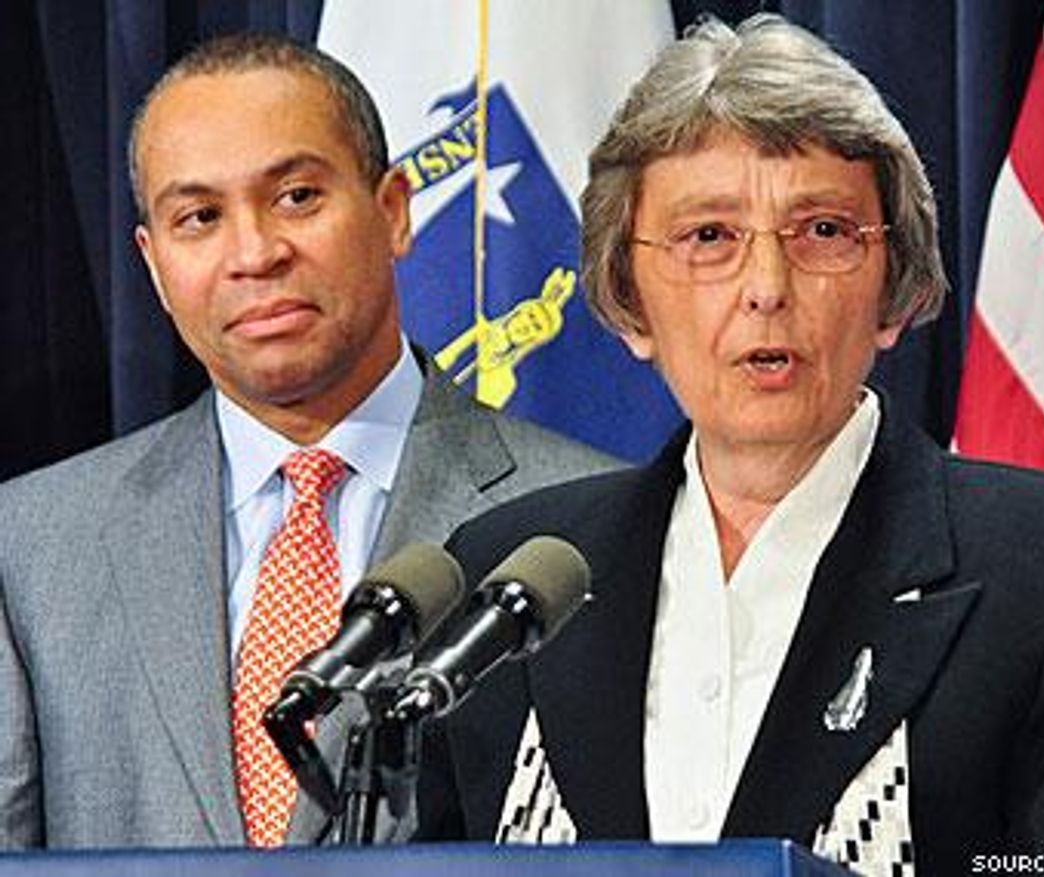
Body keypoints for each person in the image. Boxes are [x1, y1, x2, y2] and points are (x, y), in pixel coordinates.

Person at [412, 14, 1044, 874]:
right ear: (628, 300)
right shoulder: (507, 580)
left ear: (893, 288)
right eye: (709, 236)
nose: (766, 287)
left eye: (823, 231)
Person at [0, 33, 615, 849]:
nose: (255, 254)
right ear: (153, 265)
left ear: (393, 211)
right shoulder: (33, 544)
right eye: (200, 217)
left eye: (296, 196)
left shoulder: (585, 526)